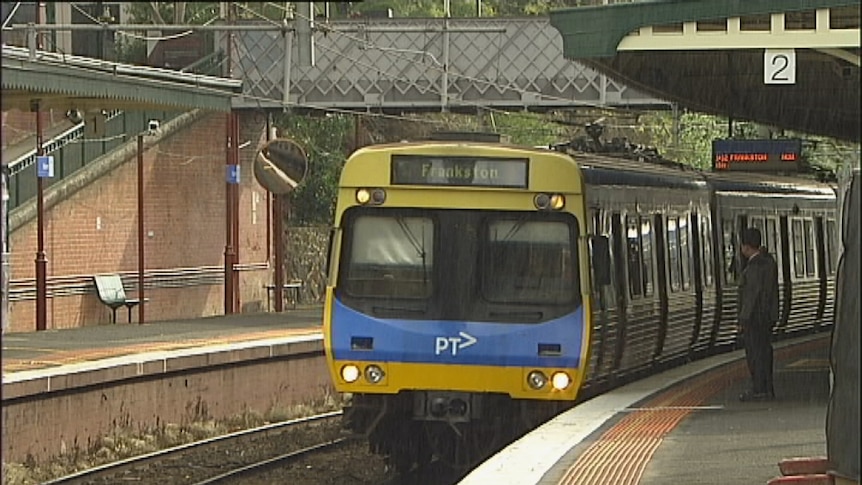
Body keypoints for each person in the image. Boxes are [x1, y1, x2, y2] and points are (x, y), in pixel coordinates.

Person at [736, 227, 780, 402]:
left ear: (746, 247)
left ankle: (759, 389)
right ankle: (766, 388)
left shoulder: (754, 268)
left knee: (755, 354)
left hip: (755, 319)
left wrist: (742, 319)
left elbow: (751, 296)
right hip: (766, 317)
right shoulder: (769, 263)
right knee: (765, 352)